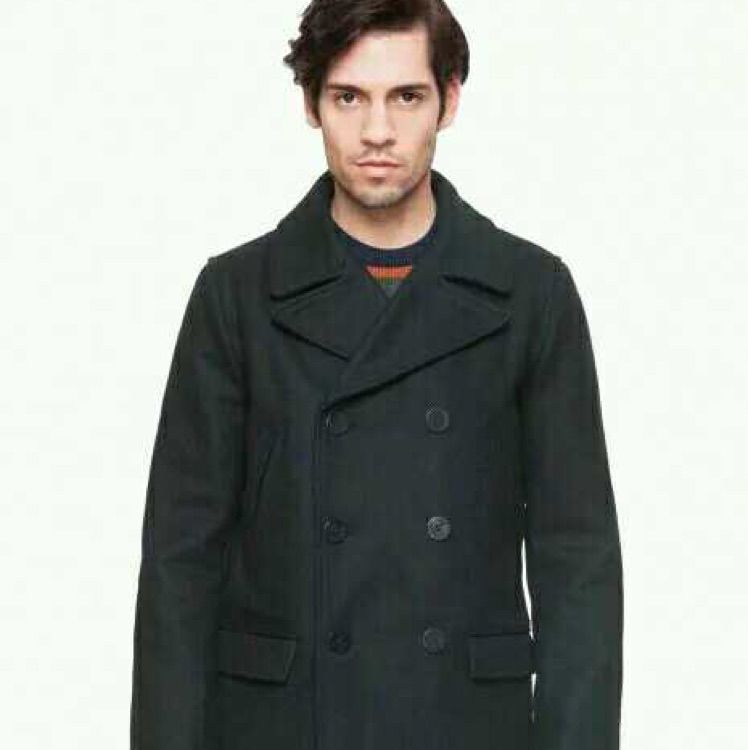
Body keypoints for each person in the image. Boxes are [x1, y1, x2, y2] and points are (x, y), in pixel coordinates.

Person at [129, 2, 624, 749]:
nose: (378, 131)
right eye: (349, 97)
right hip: (285, 727)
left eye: (407, 96)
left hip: (464, 726)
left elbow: (577, 563)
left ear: (449, 100)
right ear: (311, 105)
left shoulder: (530, 294)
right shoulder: (236, 296)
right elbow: (179, 564)